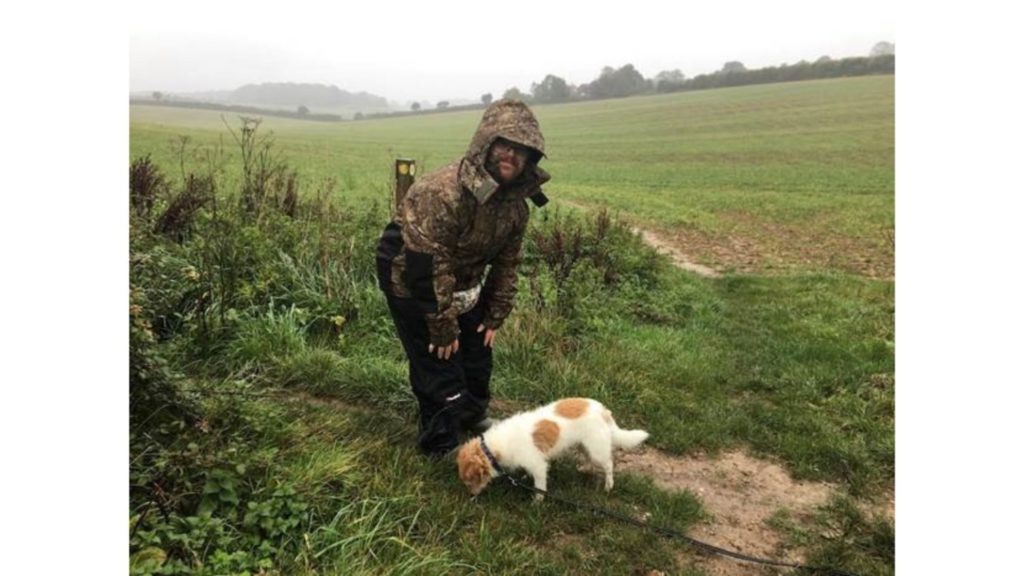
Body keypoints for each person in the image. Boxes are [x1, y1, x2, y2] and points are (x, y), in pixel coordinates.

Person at [376, 99, 550, 456]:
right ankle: (439, 442)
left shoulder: (515, 207)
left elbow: (508, 262)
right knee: (439, 359)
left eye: (522, 152)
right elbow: (426, 262)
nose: (511, 156)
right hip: (411, 276)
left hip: (462, 278)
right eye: (505, 145)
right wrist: (441, 324)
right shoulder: (442, 192)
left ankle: (470, 415)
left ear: (530, 162)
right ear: (485, 143)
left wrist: (493, 314)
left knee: (478, 351)